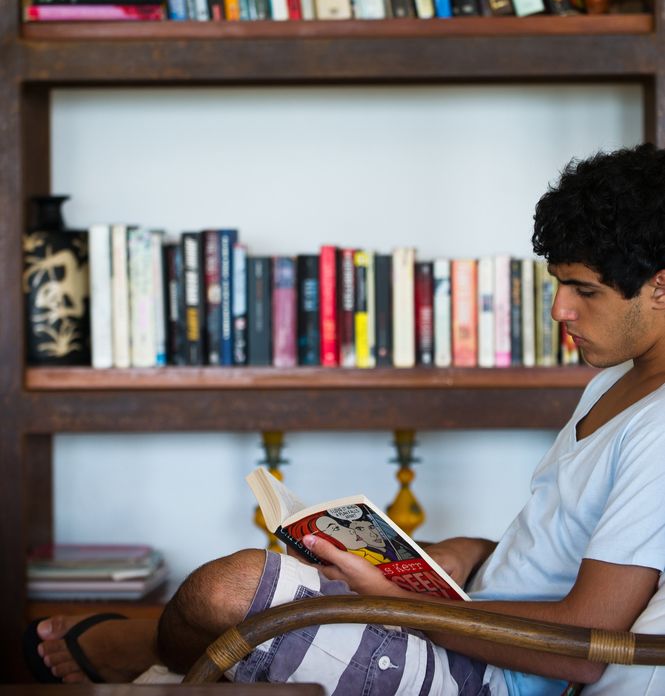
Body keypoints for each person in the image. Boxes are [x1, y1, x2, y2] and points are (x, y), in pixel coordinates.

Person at [28, 144, 665, 695]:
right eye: (558, 284)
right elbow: (557, 551)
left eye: (585, 290)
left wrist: (398, 604)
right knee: (237, 586)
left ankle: (152, 653)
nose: (559, 310)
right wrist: (463, 554)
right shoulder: (615, 381)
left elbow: (586, 646)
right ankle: (162, 649)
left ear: (660, 286)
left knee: (227, 589)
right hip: (471, 620)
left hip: (496, 675)